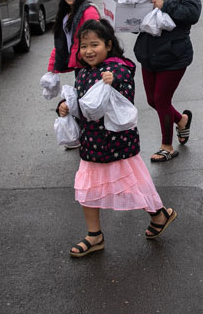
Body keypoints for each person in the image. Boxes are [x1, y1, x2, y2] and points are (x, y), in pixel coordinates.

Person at [56, 19, 178, 258]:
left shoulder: (118, 67)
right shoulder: (83, 72)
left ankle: (159, 214)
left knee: (134, 183)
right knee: (86, 187)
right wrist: (63, 107)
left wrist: (114, 81)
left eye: (95, 45)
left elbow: (124, 89)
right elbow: (80, 102)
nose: (89, 51)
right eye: (84, 46)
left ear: (108, 44)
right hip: (91, 142)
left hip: (118, 143)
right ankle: (94, 236)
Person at [134, 0, 202, 163]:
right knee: (152, 100)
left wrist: (165, 6)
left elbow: (192, 15)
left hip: (173, 57)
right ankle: (181, 120)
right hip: (149, 55)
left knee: (162, 99)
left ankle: (167, 146)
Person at [48, 0, 101, 75]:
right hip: (79, 64)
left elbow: (97, 39)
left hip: (89, 63)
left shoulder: (89, 11)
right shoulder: (65, 14)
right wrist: (52, 69)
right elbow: (60, 43)